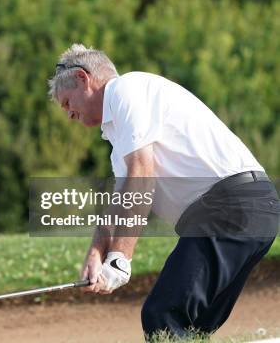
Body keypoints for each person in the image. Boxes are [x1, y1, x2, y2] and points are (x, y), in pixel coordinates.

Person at [47, 43, 279, 339]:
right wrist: (96, 253)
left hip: (231, 209)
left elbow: (143, 174)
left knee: (163, 316)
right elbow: (122, 201)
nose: (69, 115)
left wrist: (120, 257)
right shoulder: (121, 138)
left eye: (67, 103)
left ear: (83, 78)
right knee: (193, 328)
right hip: (249, 211)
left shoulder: (124, 90)